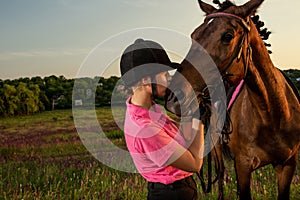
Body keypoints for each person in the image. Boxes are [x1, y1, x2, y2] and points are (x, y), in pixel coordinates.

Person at [120, 38, 204, 200]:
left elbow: (183, 139)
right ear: (146, 80)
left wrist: (190, 114)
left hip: (176, 190)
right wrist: (198, 120)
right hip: (172, 194)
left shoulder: (148, 109)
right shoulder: (145, 129)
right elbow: (194, 164)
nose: (168, 79)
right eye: (164, 74)